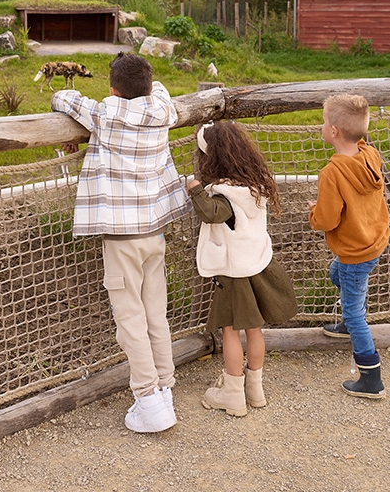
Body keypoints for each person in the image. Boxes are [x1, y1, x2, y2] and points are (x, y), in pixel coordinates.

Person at [51, 52, 191, 433]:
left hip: (121, 235)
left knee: (129, 318)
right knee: (155, 315)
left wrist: (104, 98)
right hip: (155, 232)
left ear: (113, 90)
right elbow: (159, 90)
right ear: (147, 87)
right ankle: (165, 389)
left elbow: (64, 99)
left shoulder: (104, 114)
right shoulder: (162, 109)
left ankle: (147, 399)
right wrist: (147, 88)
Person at [186, 120, 297, 417]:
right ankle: (255, 389)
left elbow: (212, 214)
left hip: (234, 274)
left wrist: (196, 190)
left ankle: (233, 394)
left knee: (231, 331)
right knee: (254, 329)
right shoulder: (255, 185)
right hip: (257, 264)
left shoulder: (224, 194)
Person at [309, 93, 390, 399]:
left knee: (355, 311)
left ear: (333, 132)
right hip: (374, 239)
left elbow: (327, 220)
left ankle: (371, 377)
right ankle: (348, 322)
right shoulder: (369, 154)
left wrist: (314, 211)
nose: (322, 124)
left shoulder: (331, 173)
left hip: (356, 251)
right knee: (337, 275)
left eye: (324, 120)